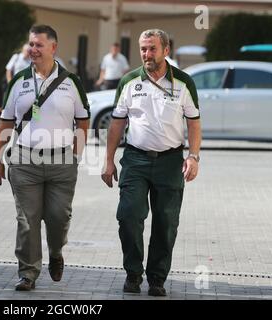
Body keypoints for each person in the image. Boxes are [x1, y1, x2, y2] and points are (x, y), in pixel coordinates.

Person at [0, 25, 90, 291]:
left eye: (39, 45)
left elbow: (83, 121)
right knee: (27, 219)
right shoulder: (19, 81)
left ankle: (56, 252)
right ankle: (28, 272)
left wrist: (76, 156)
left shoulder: (71, 82)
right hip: (24, 161)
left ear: (53, 47)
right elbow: (4, 124)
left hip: (61, 162)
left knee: (59, 217)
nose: (33, 50)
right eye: (31, 44)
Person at [101, 29, 201, 297]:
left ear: (165, 50)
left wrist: (193, 156)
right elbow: (117, 123)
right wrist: (108, 161)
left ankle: (157, 278)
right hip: (135, 159)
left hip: (170, 162)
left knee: (166, 222)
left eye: (152, 49)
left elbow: (194, 122)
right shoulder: (129, 81)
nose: (146, 54)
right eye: (143, 48)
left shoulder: (183, 82)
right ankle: (133, 273)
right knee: (129, 215)